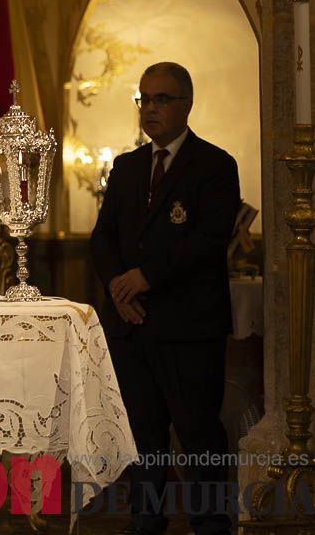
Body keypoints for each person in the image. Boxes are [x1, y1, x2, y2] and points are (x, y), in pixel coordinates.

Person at [90, 62, 239, 535]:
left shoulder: (215, 165)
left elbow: (209, 239)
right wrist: (119, 287)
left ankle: (211, 522)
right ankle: (145, 520)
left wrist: (145, 276)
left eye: (161, 99)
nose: (150, 109)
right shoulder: (128, 166)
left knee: (197, 433)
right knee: (143, 435)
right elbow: (103, 238)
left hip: (189, 327)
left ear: (186, 105)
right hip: (133, 325)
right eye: (144, 99)